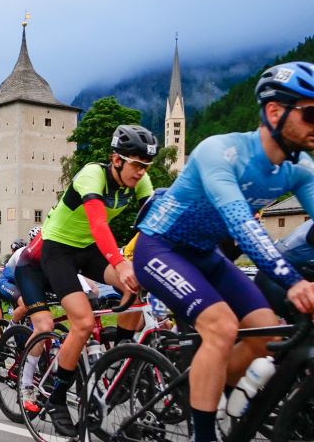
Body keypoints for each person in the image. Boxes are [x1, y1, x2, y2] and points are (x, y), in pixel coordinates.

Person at [134, 62, 314, 442]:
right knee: (221, 327)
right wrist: (293, 282)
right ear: (275, 112)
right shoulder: (220, 151)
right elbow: (242, 224)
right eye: (311, 114)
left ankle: (213, 390)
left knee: (266, 331)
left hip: (203, 253)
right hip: (161, 247)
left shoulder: (300, 170)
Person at [39, 124, 157, 436]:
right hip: (59, 249)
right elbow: (98, 223)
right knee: (83, 322)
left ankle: (120, 358)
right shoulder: (92, 174)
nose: (141, 173)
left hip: (89, 250)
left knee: (139, 286)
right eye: (136, 165)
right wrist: (121, 263)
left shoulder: (142, 182)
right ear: (116, 159)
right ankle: (57, 397)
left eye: (146, 167)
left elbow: (154, 225)